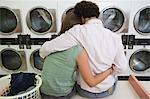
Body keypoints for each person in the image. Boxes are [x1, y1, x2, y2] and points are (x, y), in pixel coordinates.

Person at [40, 8, 116, 99]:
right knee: (113, 79)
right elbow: (91, 82)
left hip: (43, 91)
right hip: (62, 95)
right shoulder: (78, 50)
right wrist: (110, 70)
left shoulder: (54, 44)